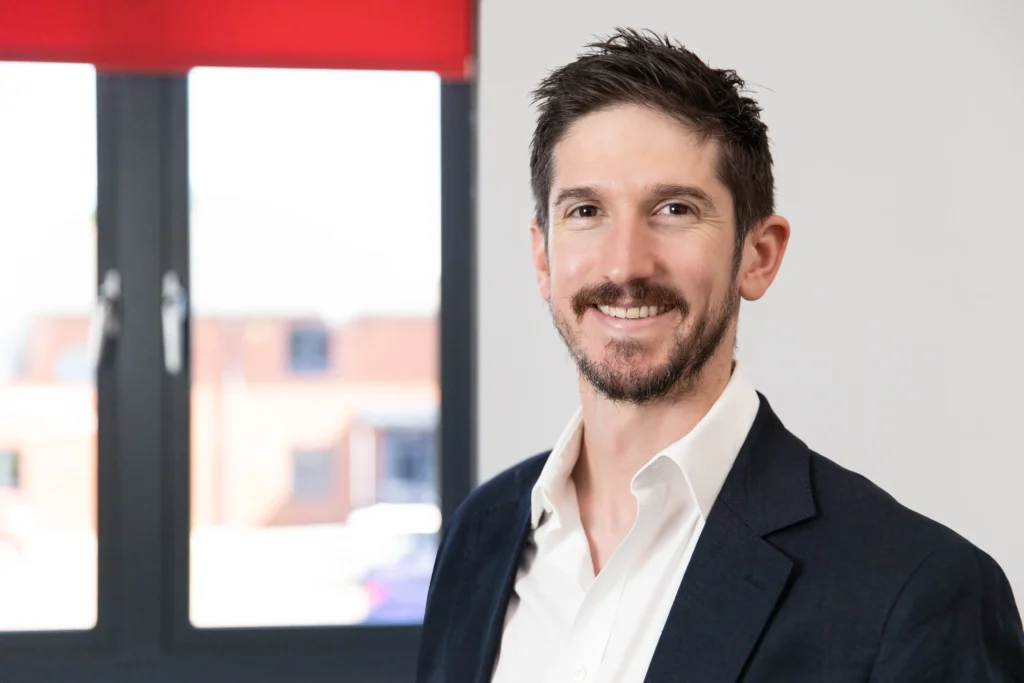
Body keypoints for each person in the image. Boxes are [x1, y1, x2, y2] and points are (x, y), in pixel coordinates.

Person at [417, 28, 1024, 683]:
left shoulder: (918, 591)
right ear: (543, 256)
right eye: (586, 210)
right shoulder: (478, 535)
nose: (625, 264)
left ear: (758, 255)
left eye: (674, 209)